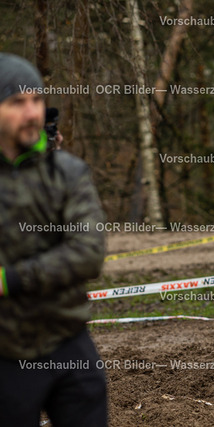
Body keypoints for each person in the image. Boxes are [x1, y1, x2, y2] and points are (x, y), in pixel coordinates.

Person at [0, 53, 108, 426]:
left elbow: (88, 252)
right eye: (17, 102)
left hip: (67, 341)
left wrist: (10, 279)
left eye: (36, 100)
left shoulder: (68, 173)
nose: (31, 112)